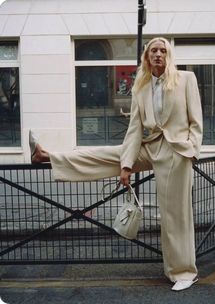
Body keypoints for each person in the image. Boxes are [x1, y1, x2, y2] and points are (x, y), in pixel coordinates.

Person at [29, 37, 203, 291]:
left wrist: (191, 150)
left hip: (177, 151)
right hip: (152, 145)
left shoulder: (186, 79)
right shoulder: (141, 87)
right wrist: (126, 165)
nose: (158, 54)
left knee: (175, 214)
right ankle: (47, 157)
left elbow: (196, 121)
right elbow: (134, 130)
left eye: (162, 50)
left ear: (169, 55)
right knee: (109, 153)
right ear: (147, 56)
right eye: (153, 50)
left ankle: (184, 272)